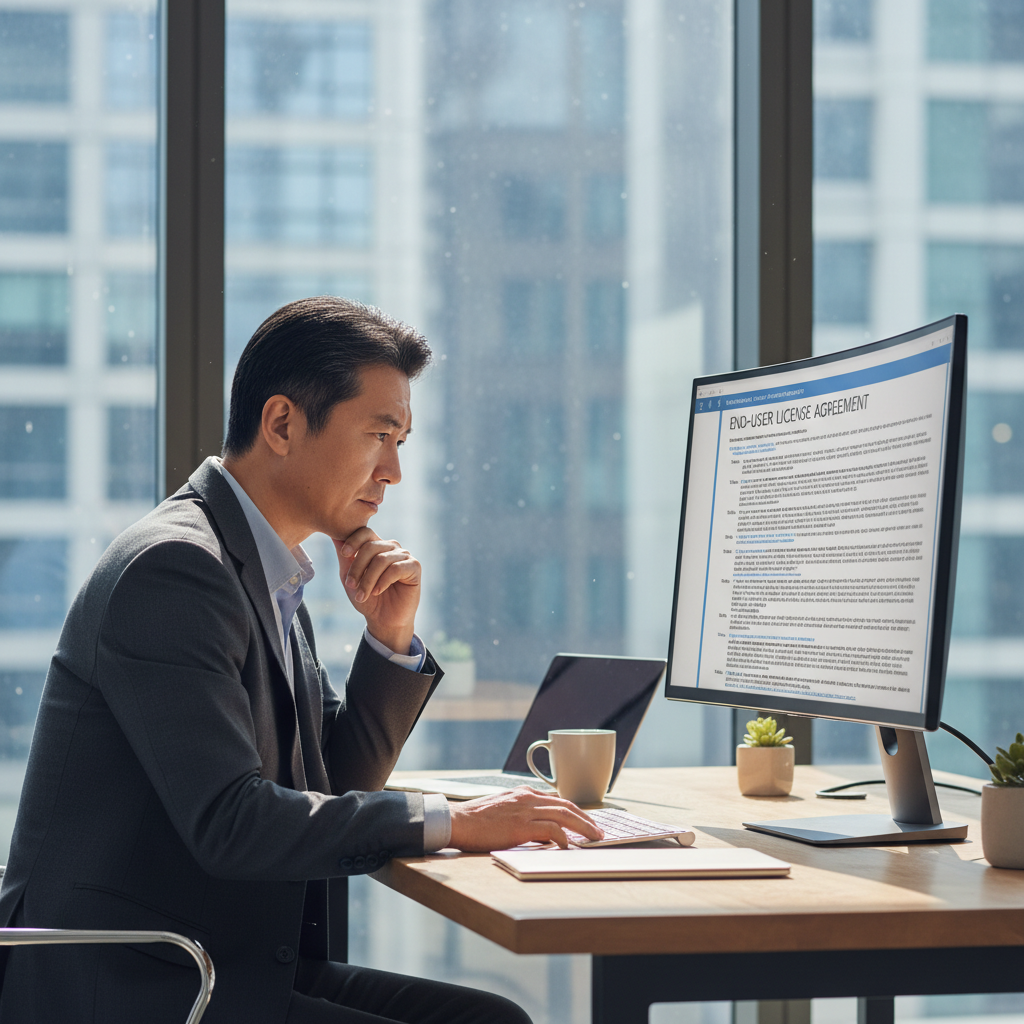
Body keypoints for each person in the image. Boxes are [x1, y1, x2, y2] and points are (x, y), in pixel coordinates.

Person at [0, 297, 603, 1024]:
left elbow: (334, 783)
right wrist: (456, 821)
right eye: (379, 435)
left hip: (223, 961)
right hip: (140, 983)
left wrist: (390, 639)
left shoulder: (265, 572)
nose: (393, 471)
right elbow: (232, 823)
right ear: (283, 424)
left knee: (490, 1019)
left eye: (402, 440)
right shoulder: (175, 569)